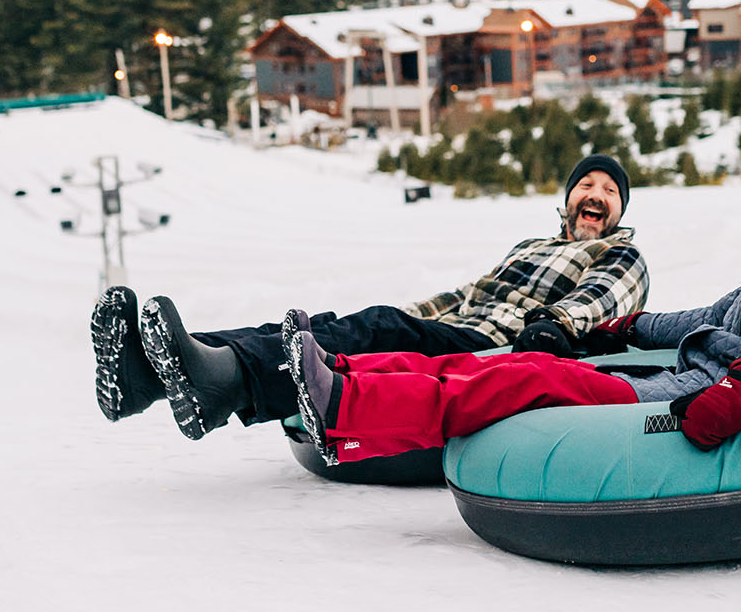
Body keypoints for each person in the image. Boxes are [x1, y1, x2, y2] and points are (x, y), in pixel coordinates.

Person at [286, 137, 741, 465]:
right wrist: (630, 327)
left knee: (523, 380)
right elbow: (705, 320)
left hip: (691, 398)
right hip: (678, 375)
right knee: (501, 365)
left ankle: (345, 406)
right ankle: (347, 373)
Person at [90, 153, 650, 440]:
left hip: (498, 349)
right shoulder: (531, 245)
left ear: (619, 209)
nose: (594, 194)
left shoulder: (621, 255)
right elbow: (463, 293)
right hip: (462, 325)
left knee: (373, 331)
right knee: (334, 328)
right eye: (586, 185)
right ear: (569, 199)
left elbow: (600, 300)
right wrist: (410, 314)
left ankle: (213, 381)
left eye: (608, 190)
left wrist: (552, 325)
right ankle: (152, 374)